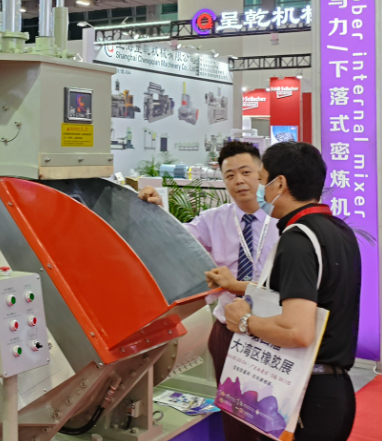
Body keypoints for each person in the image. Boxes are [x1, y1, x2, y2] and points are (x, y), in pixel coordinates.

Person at [139, 140, 278, 441]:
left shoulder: (281, 220)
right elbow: (177, 240)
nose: (239, 181)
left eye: (246, 172)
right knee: (234, 411)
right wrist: (156, 209)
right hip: (228, 328)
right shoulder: (214, 220)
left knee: (275, 409)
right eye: (230, 175)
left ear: (261, 174)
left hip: (272, 331)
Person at [222, 141, 361, 441]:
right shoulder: (338, 230)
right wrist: (239, 286)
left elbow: (298, 331)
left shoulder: (298, 239)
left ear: (280, 184)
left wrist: (244, 322)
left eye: (262, 179)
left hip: (305, 394)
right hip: (332, 389)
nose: (259, 189)